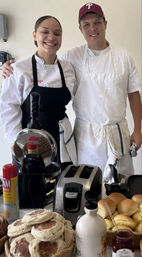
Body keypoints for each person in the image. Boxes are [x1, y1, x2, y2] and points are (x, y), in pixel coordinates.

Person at [2, 3, 142, 183]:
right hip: (84, 137)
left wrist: (138, 130)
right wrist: (10, 67)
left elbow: (134, 93)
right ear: (80, 29)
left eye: (97, 22)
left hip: (116, 133)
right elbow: (43, 61)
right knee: (86, 186)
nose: (92, 28)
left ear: (105, 24)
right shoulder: (72, 57)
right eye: (86, 24)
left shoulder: (124, 57)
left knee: (122, 185)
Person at [0, 15, 77, 166]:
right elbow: (8, 111)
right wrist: (21, 147)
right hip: (29, 146)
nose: (51, 37)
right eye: (45, 32)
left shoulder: (68, 69)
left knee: (62, 186)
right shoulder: (18, 69)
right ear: (35, 35)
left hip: (62, 143)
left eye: (57, 33)